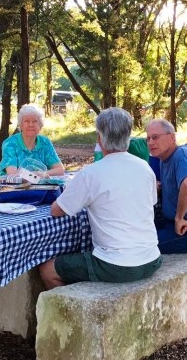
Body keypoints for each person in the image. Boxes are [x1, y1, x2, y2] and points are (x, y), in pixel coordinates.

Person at [39, 107, 162, 289]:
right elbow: (150, 203)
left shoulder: (91, 173)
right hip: (152, 258)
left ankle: (73, 314)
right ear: (128, 138)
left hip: (116, 265)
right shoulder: (145, 168)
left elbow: (57, 210)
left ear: (99, 139)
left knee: (47, 270)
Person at [145, 118, 187, 254]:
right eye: (148, 138)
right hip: (170, 223)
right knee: (130, 236)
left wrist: (179, 218)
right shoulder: (164, 159)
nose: (151, 142)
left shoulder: (183, 157)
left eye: (155, 137)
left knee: (141, 246)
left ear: (172, 137)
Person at [0, 104, 65, 177]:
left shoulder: (45, 142)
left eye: (35, 121)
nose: (31, 125)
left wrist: (43, 174)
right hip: (12, 187)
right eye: (26, 121)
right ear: (20, 125)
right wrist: (33, 175)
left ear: (40, 125)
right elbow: (13, 174)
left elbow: (60, 170)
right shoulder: (10, 143)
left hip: (40, 186)